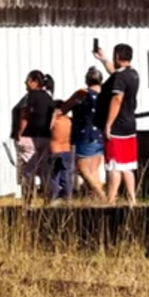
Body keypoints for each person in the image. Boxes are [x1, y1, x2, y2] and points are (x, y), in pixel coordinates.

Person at [94, 44, 141, 206]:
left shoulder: (121, 78)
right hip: (129, 125)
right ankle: (132, 199)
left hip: (117, 127)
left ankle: (111, 199)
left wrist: (108, 124)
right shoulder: (132, 74)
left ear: (118, 57)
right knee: (127, 165)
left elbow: (117, 99)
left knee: (113, 165)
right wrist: (103, 59)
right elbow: (114, 73)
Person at [59, 67, 107, 202]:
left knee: (83, 169)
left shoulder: (82, 94)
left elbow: (64, 108)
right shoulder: (105, 95)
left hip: (84, 134)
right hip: (99, 134)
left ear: (87, 80)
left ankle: (103, 197)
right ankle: (96, 200)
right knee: (94, 170)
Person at [13, 70, 54, 207]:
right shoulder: (48, 97)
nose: (25, 83)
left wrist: (20, 132)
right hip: (45, 137)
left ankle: (27, 202)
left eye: (28, 80)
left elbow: (25, 115)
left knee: (28, 170)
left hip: (30, 136)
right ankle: (48, 199)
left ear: (35, 82)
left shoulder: (31, 96)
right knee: (44, 169)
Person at [48, 99, 75, 203]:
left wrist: (53, 116)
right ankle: (68, 197)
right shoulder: (68, 120)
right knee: (66, 174)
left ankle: (54, 197)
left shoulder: (56, 121)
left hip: (55, 149)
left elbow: (48, 128)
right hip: (67, 149)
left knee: (54, 175)